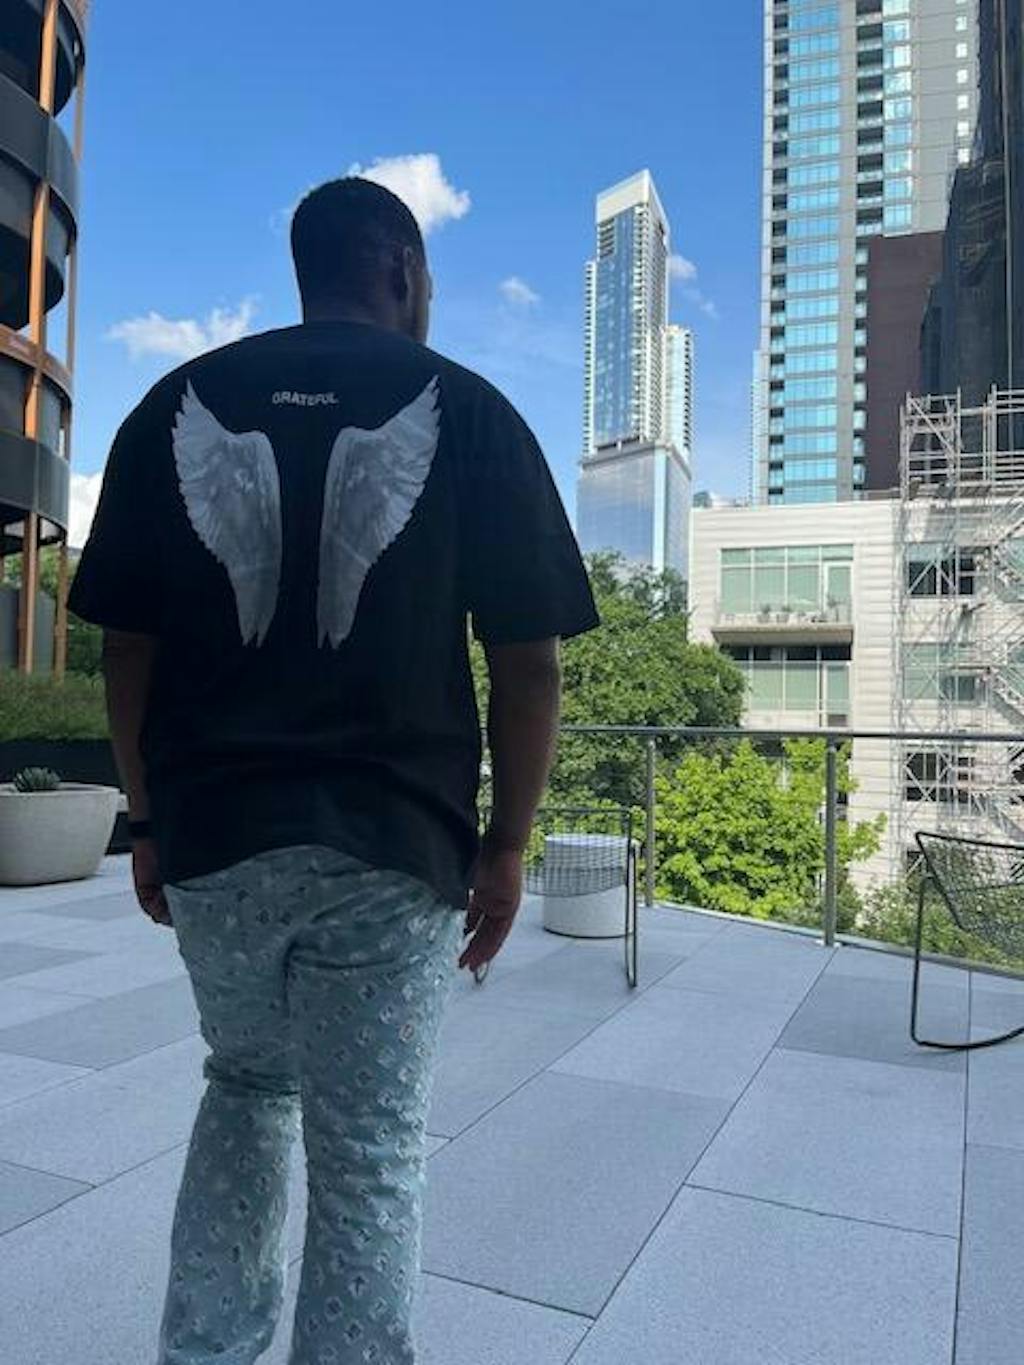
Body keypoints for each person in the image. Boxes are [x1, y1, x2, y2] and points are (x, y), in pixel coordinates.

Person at [69, 176, 598, 1364]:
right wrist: (507, 846)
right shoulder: (467, 408)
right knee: (367, 1153)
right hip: (389, 848)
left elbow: (126, 650)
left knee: (244, 1088)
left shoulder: (176, 403)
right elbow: (528, 667)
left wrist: (146, 823)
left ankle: (203, 1351)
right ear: (404, 270)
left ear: (306, 269)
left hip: (214, 840)